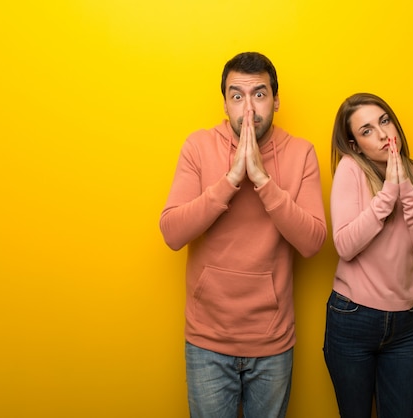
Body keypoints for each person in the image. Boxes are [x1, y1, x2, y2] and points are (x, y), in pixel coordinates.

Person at [159, 52, 327, 418]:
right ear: (224, 104)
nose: (247, 109)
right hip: (207, 341)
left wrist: (263, 181)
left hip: (272, 342)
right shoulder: (198, 146)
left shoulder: (301, 153)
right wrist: (232, 179)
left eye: (259, 95)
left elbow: (313, 242)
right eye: (237, 96)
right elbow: (172, 233)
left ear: (276, 100)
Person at [323, 92, 413, 418]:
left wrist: (406, 190)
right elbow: (345, 246)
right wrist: (387, 194)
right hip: (351, 318)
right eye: (366, 131)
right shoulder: (351, 170)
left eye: (384, 121)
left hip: (404, 324)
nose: (382, 135)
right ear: (354, 145)